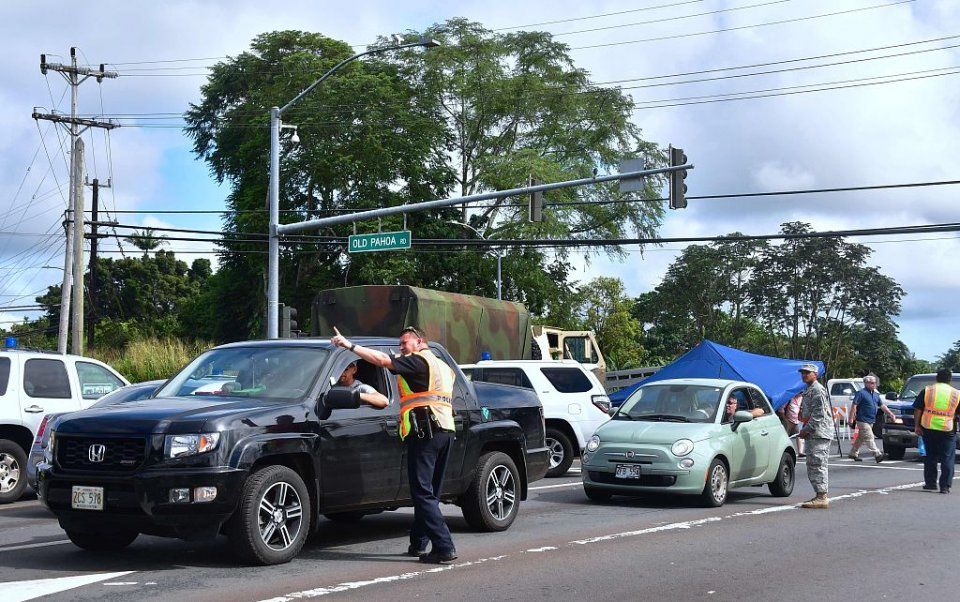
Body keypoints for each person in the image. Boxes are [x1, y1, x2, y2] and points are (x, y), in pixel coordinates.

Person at [330, 326, 458, 564]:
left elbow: (381, 360)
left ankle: (444, 546)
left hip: (425, 432)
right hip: (445, 430)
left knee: (422, 493)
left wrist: (349, 345)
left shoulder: (418, 361)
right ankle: (419, 543)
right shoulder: (443, 366)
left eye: (404, 342)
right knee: (430, 493)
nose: (401, 347)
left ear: (420, 342)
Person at [913, 368, 960, 494]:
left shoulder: (928, 390)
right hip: (947, 429)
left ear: (937, 378)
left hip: (928, 427)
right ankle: (945, 487)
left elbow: (917, 409)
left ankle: (930, 484)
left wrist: (917, 426)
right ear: (950, 380)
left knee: (931, 456)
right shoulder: (956, 393)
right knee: (947, 458)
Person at [798, 363, 834, 509]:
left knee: (818, 464)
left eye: (807, 373)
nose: (804, 375)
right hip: (814, 433)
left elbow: (819, 415)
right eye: (803, 372)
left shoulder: (818, 390)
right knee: (813, 464)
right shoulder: (809, 389)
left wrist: (806, 429)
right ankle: (819, 494)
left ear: (815, 374)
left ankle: (822, 496)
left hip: (819, 433)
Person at [847, 375, 899, 463]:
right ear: (866, 383)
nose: (874, 385)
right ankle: (877, 454)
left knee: (861, 438)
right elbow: (854, 405)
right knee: (869, 437)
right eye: (871, 383)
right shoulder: (861, 393)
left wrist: (891, 414)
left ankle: (853, 453)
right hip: (862, 420)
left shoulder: (876, 395)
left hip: (871, 420)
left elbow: (882, 405)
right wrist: (851, 418)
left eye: (875, 383)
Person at [777, 392, 805, 457]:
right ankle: (782, 451)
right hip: (788, 421)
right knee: (785, 437)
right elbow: (781, 410)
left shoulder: (801, 397)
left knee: (799, 435)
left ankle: (800, 452)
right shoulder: (789, 398)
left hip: (797, 421)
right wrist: (785, 420)